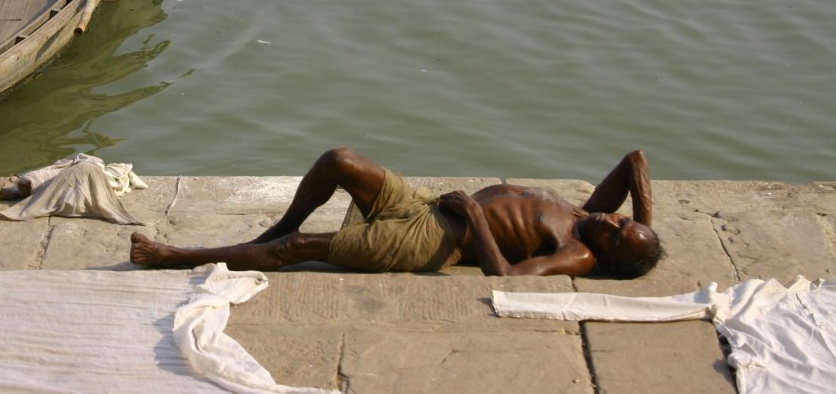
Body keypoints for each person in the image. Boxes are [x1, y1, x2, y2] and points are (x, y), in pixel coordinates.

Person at [130, 147, 662, 278]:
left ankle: (172, 257)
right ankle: (278, 224)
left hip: (435, 241)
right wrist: (645, 230)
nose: (611, 222)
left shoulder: (577, 252)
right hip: (426, 205)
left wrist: (475, 220)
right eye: (622, 220)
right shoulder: (588, 214)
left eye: (617, 235)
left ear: (606, 256)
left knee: (298, 252)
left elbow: (511, 278)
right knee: (337, 161)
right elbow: (635, 161)